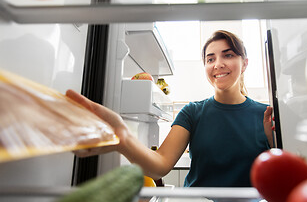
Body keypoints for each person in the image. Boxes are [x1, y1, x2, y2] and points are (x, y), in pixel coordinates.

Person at [66, 30, 274, 188]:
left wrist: (273, 144)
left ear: (244, 63)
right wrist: (123, 139)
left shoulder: (266, 114)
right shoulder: (193, 113)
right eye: (210, 59)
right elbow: (160, 164)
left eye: (227, 55)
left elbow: (281, 174)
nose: (217, 64)